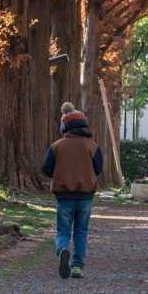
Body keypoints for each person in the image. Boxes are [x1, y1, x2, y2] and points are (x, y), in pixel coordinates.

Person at [41, 102, 103, 280]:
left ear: (64, 128)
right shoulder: (92, 146)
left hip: (64, 196)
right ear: (84, 125)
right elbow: (98, 169)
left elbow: (46, 169)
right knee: (81, 232)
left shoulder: (56, 146)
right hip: (85, 197)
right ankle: (77, 267)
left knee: (63, 231)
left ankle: (62, 251)